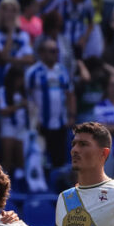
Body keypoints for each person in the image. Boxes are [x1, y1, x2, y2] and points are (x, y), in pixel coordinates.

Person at [25, 37, 76, 170]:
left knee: (59, 160)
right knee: (40, 160)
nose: (56, 54)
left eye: (57, 51)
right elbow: (28, 97)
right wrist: (33, 119)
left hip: (60, 123)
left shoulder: (62, 70)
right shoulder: (33, 73)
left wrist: (71, 116)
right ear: (42, 53)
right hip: (41, 124)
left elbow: (70, 94)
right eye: (52, 51)